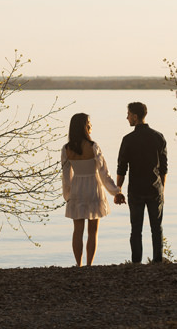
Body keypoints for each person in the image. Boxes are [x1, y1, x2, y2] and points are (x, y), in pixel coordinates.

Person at [61, 112, 121, 266]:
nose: (90, 125)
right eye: (88, 122)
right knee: (93, 231)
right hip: (93, 188)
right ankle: (89, 265)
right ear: (84, 126)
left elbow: (66, 176)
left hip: (77, 189)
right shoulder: (93, 146)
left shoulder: (66, 148)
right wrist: (116, 191)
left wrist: (67, 195)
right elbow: (103, 173)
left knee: (77, 230)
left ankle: (78, 264)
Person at [116, 101, 168, 264]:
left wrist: (118, 189)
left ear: (135, 117)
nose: (127, 118)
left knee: (136, 229)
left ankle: (136, 263)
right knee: (156, 229)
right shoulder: (158, 137)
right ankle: (157, 261)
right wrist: (162, 189)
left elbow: (121, 168)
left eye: (129, 115)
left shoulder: (128, 139)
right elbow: (164, 168)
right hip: (155, 189)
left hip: (136, 191)